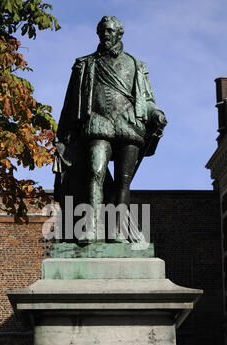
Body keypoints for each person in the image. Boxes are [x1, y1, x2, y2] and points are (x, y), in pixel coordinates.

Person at [54, 16, 167, 242]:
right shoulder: (85, 64)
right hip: (98, 124)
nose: (106, 35)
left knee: (124, 182)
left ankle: (117, 230)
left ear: (119, 34)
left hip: (129, 126)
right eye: (102, 31)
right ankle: (92, 227)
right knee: (96, 172)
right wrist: (63, 136)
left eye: (110, 31)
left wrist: (157, 114)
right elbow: (70, 103)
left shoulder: (136, 65)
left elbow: (147, 101)